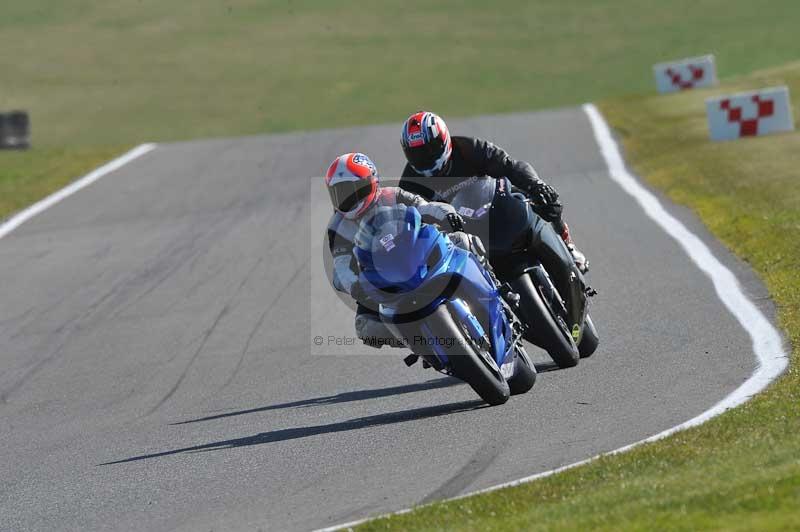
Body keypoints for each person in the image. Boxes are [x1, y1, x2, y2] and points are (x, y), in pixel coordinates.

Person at [325, 152, 485, 347]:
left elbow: (426, 207)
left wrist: (447, 215)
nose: (347, 198)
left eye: (353, 189)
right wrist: (354, 286)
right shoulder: (338, 227)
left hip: (419, 254)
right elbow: (341, 266)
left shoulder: (392, 194)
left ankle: (492, 287)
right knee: (365, 327)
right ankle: (419, 342)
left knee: (463, 239)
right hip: (382, 280)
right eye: (340, 192)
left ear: (372, 182)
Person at [398, 111, 588, 274]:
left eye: (430, 149)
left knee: (547, 201)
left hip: (497, 205)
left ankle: (568, 246)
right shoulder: (410, 183)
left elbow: (511, 166)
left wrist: (535, 185)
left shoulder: (468, 148)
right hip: (464, 233)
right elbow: (409, 220)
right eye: (417, 154)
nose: (426, 157)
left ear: (444, 140)